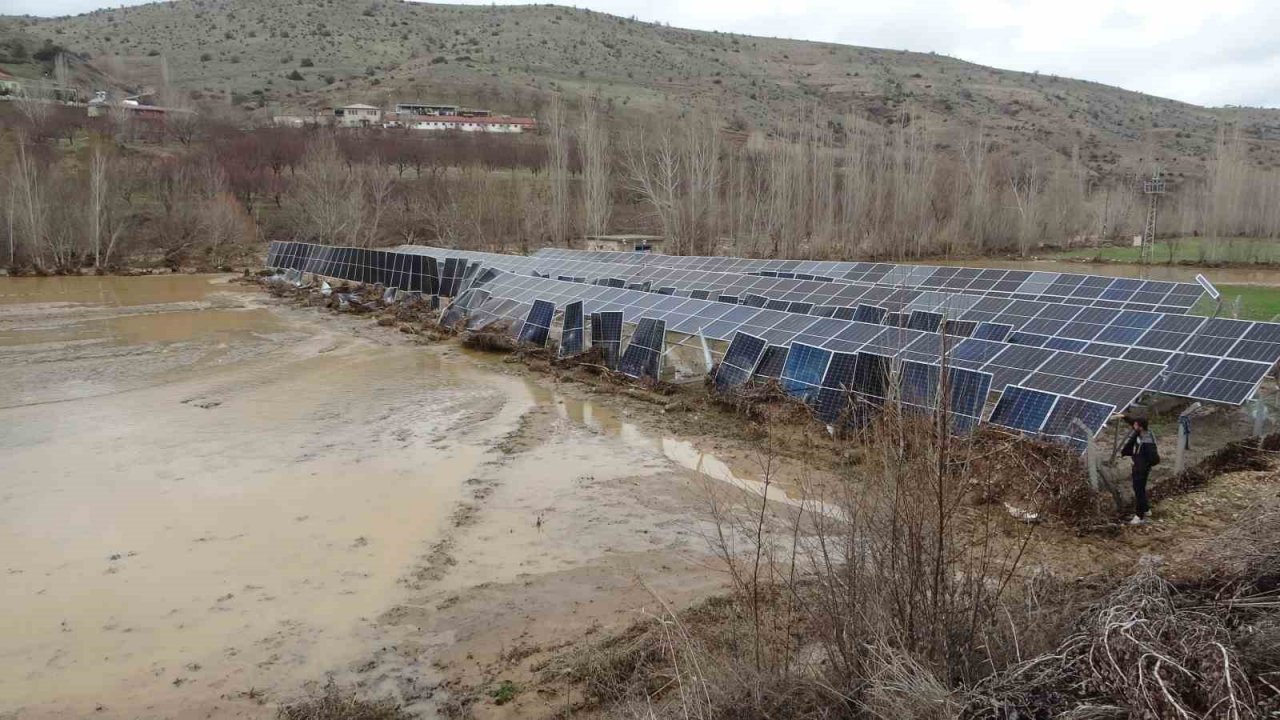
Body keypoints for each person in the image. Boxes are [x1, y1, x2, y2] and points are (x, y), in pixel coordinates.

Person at [1120, 417, 1159, 525]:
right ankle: (1146, 510)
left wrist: (1143, 464)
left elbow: (1154, 458)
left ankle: (1139, 516)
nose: (1134, 426)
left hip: (1141, 469)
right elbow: (1133, 422)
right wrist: (1124, 416)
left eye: (1136, 425)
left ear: (1140, 427)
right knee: (1139, 489)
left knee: (1139, 492)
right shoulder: (1142, 432)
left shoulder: (1147, 441)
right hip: (1138, 467)